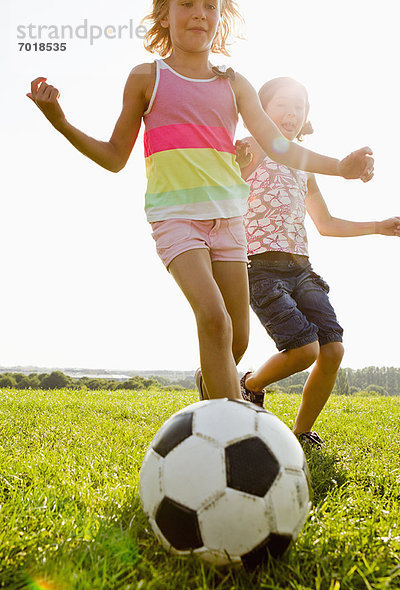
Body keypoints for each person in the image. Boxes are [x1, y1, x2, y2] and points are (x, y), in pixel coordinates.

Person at [27, 1, 374, 402]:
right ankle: (230, 438)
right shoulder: (146, 77)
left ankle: (212, 391)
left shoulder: (235, 83)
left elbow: (277, 146)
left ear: (219, 18)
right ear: (164, 16)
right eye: (187, 4)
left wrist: (340, 168)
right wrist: (60, 121)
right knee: (214, 321)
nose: (199, 13)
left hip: (229, 221)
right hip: (176, 219)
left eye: (209, 5)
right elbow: (114, 156)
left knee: (235, 341)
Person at [236, 76, 400, 446]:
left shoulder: (303, 166)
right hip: (260, 268)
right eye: (282, 103)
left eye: (299, 106)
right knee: (303, 349)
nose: (291, 112)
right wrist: (256, 141)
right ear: (260, 108)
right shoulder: (249, 147)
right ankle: (249, 384)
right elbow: (233, 182)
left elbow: (325, 224)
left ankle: (302, 431)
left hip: (301, 269)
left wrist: (379, 226)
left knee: (333, 349)